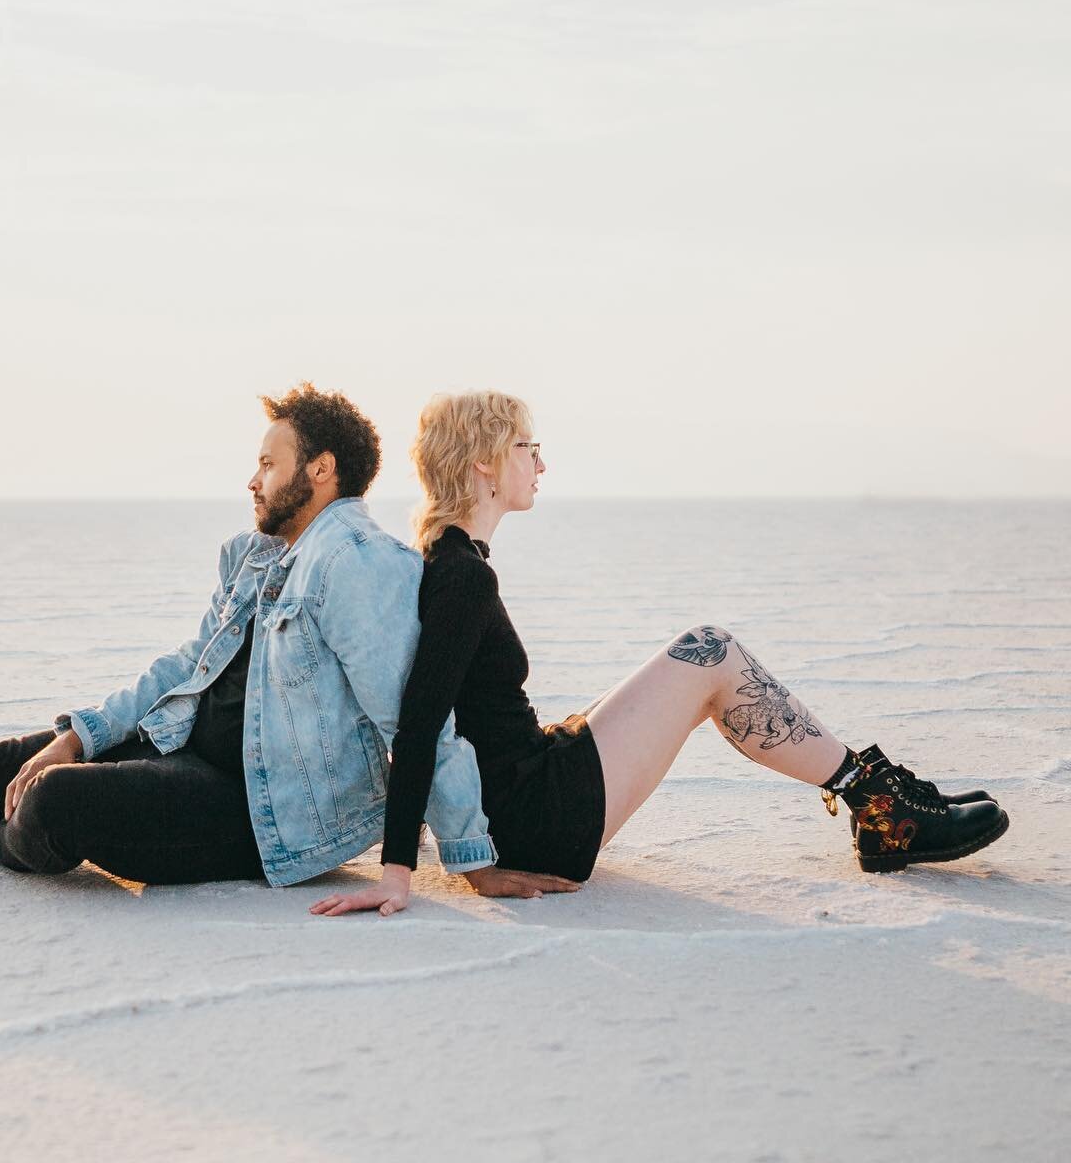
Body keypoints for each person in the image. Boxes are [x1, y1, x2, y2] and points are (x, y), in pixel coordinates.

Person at [0, 384, 530, 893]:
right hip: (181, 742)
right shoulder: (260, 556)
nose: (254, 476)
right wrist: (83, 730)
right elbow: (187, 668)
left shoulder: (360, 564)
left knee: (55, 803)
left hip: (254, 810)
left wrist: (466, 856)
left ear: (322, 470)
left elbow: (413, 717)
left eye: (270, 460)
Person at [310, 390, 1009, 918]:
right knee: (713, 652)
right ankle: (883, 810)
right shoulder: (461, 574)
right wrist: (405, 871)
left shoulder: (453, 561)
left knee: (697, 664)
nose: (542, 463)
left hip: (523, 795)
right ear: (485, 464)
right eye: (528, 448)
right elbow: (421, 718)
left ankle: (880, 803)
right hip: (534, 820)